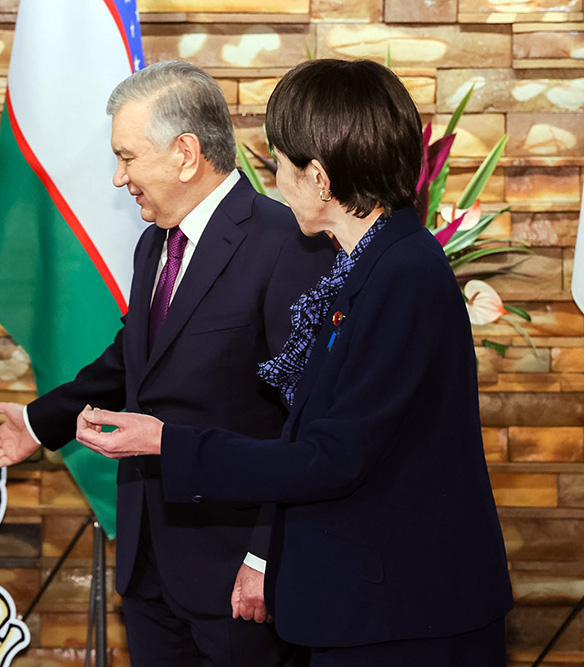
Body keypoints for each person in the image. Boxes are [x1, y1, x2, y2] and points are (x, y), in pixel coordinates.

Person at [74, 58, 513, 665]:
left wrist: (166, 443)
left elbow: (331, 457)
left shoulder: (404, 274)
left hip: (404, 617)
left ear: (320, 177)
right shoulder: (365, 266)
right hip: (366, 605)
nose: (275, 182)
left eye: (280, 162)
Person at [0, 61, 333, 665]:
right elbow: (133, 360)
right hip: (147, 567)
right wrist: (39, 423)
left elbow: (305, 423)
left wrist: (266, 555)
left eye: (127, 158)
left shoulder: (286, 243)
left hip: (237, 577)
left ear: (185, 154)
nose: (119, 178)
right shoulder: (154, 243)